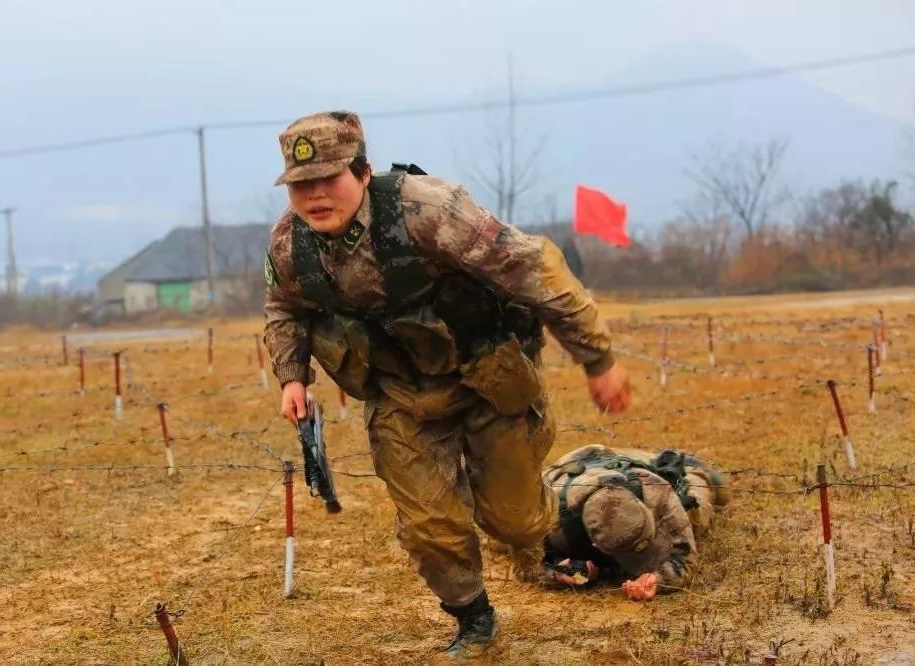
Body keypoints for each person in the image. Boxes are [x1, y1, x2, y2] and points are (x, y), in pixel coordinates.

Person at [262, 110, 631, 658]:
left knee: (514, 521)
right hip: (400, 394)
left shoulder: (428, 211)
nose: (315, 195)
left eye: (328, 180)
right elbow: (283, 308)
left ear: (362, 174)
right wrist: (292, 377)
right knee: (431, 524)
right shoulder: (292, 245)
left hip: (487, 379)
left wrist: (597, 358)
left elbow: (534, 268)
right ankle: (473, 617)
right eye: (300, 185)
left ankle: (552, 518)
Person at [539, 444, 728, 600]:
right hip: (567, 469)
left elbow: (685, 556)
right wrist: (556, 572)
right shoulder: (550, 524)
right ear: (595, 544)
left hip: (612, 461)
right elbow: (524, 563)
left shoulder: (654, 490)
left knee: (696, 515)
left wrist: (657, 578)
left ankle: (693, 468)